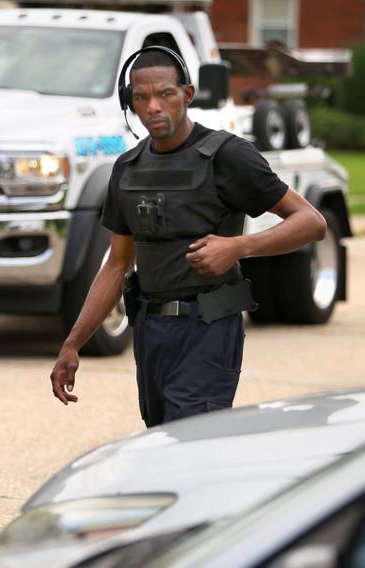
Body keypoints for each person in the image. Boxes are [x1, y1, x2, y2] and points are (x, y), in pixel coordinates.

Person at [49, 47, 327, 428]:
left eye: (165, 94)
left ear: (188, 95)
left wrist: (238, 247)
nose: (153, 107)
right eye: (141, 97)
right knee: (162, 439)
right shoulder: (127, 169)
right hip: (150, 330)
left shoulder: (228, 156)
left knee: (192, 442)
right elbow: (116, 265)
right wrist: (72, 344)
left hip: (209, 328)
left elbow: (310, 222)